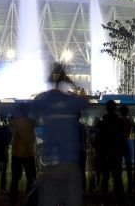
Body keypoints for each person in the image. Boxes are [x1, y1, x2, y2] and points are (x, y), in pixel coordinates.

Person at [31, 63, 88, 206]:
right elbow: (85, 100)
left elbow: (28, 107)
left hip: (51, 165)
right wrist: (69, 81)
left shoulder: (45, 102)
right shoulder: (71, 103)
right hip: (71, 165)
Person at [95, 100, 127, 201]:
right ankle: (119, 196)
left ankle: (105, 196)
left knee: (105, 176)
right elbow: (122, 137)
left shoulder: (102, 123)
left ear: (106, 109)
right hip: (117, 153)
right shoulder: (120, 122)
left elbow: (98, 138)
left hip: (105, 154)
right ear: (115, 109)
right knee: (117, 176)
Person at [9, 103, 37, 206]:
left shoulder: (14, 122)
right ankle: (30, 199)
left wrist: (15, 111)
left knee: (15, 179)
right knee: (31, 178)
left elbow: (9, 119)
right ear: (28, 111)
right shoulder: (32, 122)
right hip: (29, 154)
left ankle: (13, 201)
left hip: (17, 154)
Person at [118, 105, 134, 193]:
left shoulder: (119, 121)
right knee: (128, 166)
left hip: (119, 145)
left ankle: (119, 187)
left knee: (118, 165)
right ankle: (130, 186)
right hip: (126, 144)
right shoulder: (128, 121)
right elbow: (133, 124)